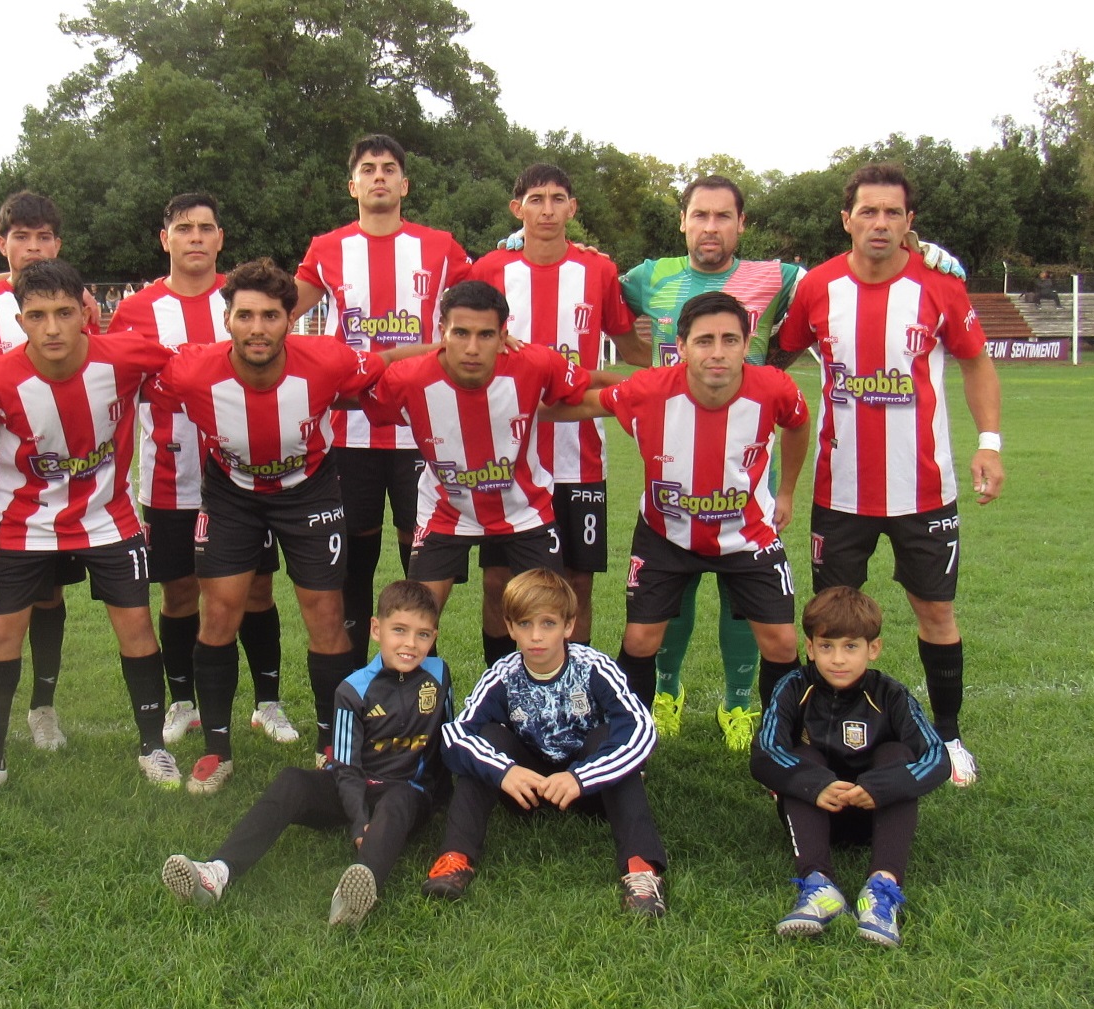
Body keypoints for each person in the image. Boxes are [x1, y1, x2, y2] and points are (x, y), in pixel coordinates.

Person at [774, 163, 1004, 787]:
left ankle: (949, 738)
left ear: (909, 222)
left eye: (892, 213)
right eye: (868, 211)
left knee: (936, 611)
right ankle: (821, 733)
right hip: (839, 492)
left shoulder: (939, 286)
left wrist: (989, 443)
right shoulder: (818, 287)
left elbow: (977, 364)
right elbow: (775, 358)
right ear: (846, 219)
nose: (880, 223)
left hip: (924, 491)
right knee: (830, 620)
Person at [143, 258, 403, 791]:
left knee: (326, 615)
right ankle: (217, 751)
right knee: (219, 614)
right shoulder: (192, 370)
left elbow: (388, 362)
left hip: (309, 491)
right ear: (226, 320)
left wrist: (449, 346)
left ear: (290, 319)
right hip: (232, 495)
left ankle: (332, 746)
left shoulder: (327, 359)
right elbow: (126, 370)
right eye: (245, 316)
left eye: (270, 316)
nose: (257, 328)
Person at [0, 258, 177, 807]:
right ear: (20, 320)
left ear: (85, 312)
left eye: (63, 312)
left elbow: (189, 367)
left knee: (137, 627)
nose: (52, 327)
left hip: (109, 518)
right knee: (0, 634)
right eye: (37, 316)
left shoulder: (126, 355)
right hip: (22, 524)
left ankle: (152, 747)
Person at [544, 291, 811, 740]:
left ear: (747, 345)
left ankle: (783, 744)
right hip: (664, 534)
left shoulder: (775, 388)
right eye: (705, 341)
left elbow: (799, 425)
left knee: (782, 642)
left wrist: (785, 491)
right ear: (682, 347)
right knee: (639, 640)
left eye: (729, 339)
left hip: (748, 535)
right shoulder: (649, 390)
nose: (718, 352)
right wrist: (513, 403)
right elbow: (582, 404)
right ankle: (628, 744)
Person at [617, 176, 803, 743]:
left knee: (744, 602)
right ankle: (664, 696)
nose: (711, 227)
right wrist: (522, 241)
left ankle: (739, 705)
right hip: (671, 465)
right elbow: (595, 291)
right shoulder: (651, 276)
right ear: (683, 221)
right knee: (670, 600)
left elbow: (841, 284)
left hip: (746, 468)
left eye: (724, 216)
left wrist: (924, 252)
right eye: (700, 215)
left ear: (742, 223)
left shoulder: (776, 276)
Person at [161, 580, 452, 928]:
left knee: (398, 798)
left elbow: (447, 738)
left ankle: (354, 896)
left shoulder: (439, 676)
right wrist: (359, 820)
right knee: (292, 781)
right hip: (357, 787)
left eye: (423, 634)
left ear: (434, 637)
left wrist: (447, 802)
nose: (410, 643)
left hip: (407, 794)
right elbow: (345, 766)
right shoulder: (353, 689)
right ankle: (216, 873)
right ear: (376, 629)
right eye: (399, 630)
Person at [111, 194, 290, 751]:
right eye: (184, 228)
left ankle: (267, 702)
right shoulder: (135, 311)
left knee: (256, 588)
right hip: (170, 476)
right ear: (164, 238)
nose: (195, 237)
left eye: (206, 228)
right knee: (180, 592)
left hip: (245, 477)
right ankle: (183, 702)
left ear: (220, 239)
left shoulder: (245, 302)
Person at [294, 133, 473, 667]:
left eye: (389, 168)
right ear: (352, 185)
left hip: (424, 432)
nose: (379, 176)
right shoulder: (327, 248)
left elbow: (483, 296)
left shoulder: (440, 246)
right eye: (368, 169)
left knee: (422, 562)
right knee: (354, 560)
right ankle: (355, 682)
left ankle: (422, 680)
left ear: (404, 184)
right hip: (350, 431)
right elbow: (279, 309)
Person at [421, 569, 668, 916]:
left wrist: (581, 777)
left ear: (568, 626)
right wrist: (505, 772)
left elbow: (642, 729)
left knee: (609, 737)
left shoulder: (594, 668)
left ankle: (641, 871)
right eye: (525, 624)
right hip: (527, 789)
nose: (536, 636)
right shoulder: (504, 675)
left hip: (589, 791)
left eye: (548, 624)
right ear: (510, 628)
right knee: (486, 739)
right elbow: (455, 735)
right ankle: (455, 858)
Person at [468, 163, 639, 663]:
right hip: (506, 458)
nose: (547, 209)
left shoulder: (598, 270)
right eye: (536, 199)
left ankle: (574, 687)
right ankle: (501, 682)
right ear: (516, 208)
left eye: (557, 198)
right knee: (499, 581)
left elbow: (630, 343)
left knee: (577, 581)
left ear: (572, 208)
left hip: (579, 454)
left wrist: (674, 359)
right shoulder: (491, 269)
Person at [361, 279, 606, 620]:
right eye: (461, 333)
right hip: (445, 511)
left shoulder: (534, 363)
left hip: (524, 510)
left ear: (504, 336)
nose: (472, 348)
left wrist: (659, 389)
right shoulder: (408, 378)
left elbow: (592, 385)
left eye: (486, 335)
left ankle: (524, 660)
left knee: (546, 617)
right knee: (415, 619)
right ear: (442, 332)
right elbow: (348, 392)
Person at [0, 190, 89, 751]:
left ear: (58, 243)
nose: (33, 248)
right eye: (21, 237)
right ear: (1, 243)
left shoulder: (76, 304)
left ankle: (43, 708)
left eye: (44, 237)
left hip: (56, 472)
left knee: (49, 596)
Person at [751, 587, 950, 947]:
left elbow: (937, 758)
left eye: (851, 647)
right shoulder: (793, 687)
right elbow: (764, 752)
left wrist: (881, 788)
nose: (838, 659)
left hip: (873, 816)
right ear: (810, 647)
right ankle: (819, 886)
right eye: (827, 646)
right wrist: (814, 784)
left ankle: (881, 890)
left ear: (873, 648)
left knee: (895, 754)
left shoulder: (891, 694)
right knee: (803, 756)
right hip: (815, 813)